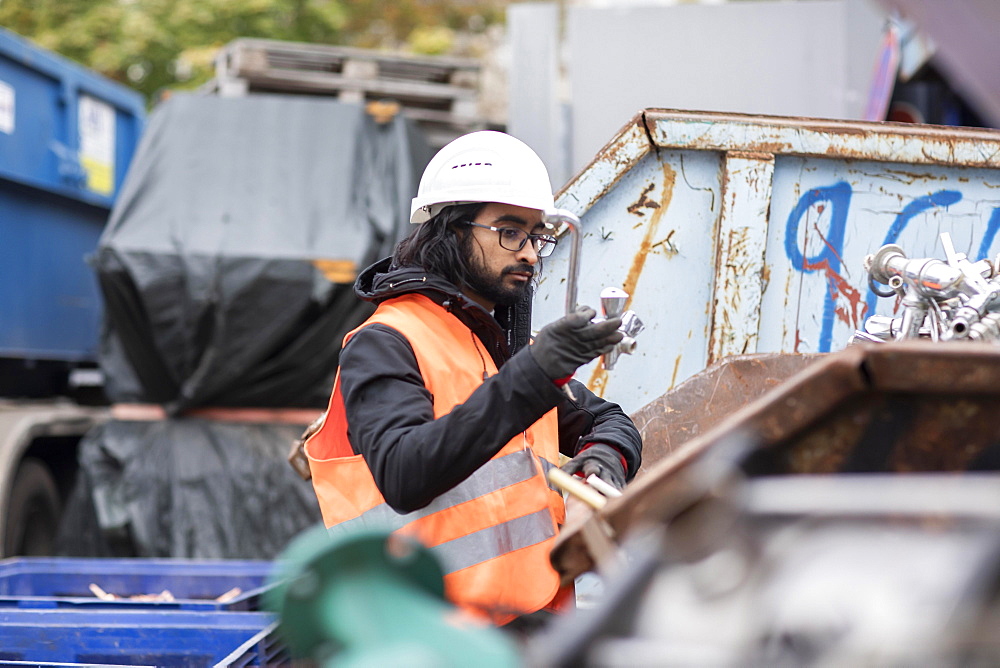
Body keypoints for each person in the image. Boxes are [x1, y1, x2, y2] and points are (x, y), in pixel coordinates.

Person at [304, 130, 642, 626]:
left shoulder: (502, 350)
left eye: (536, 235)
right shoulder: (384, 343)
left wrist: (603, 461)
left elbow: (610, 420)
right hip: (423, 640)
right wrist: (536, 371)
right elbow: (404, 474)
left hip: (528, 631)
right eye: (510, 231)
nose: (529, 252)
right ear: (451, 230)